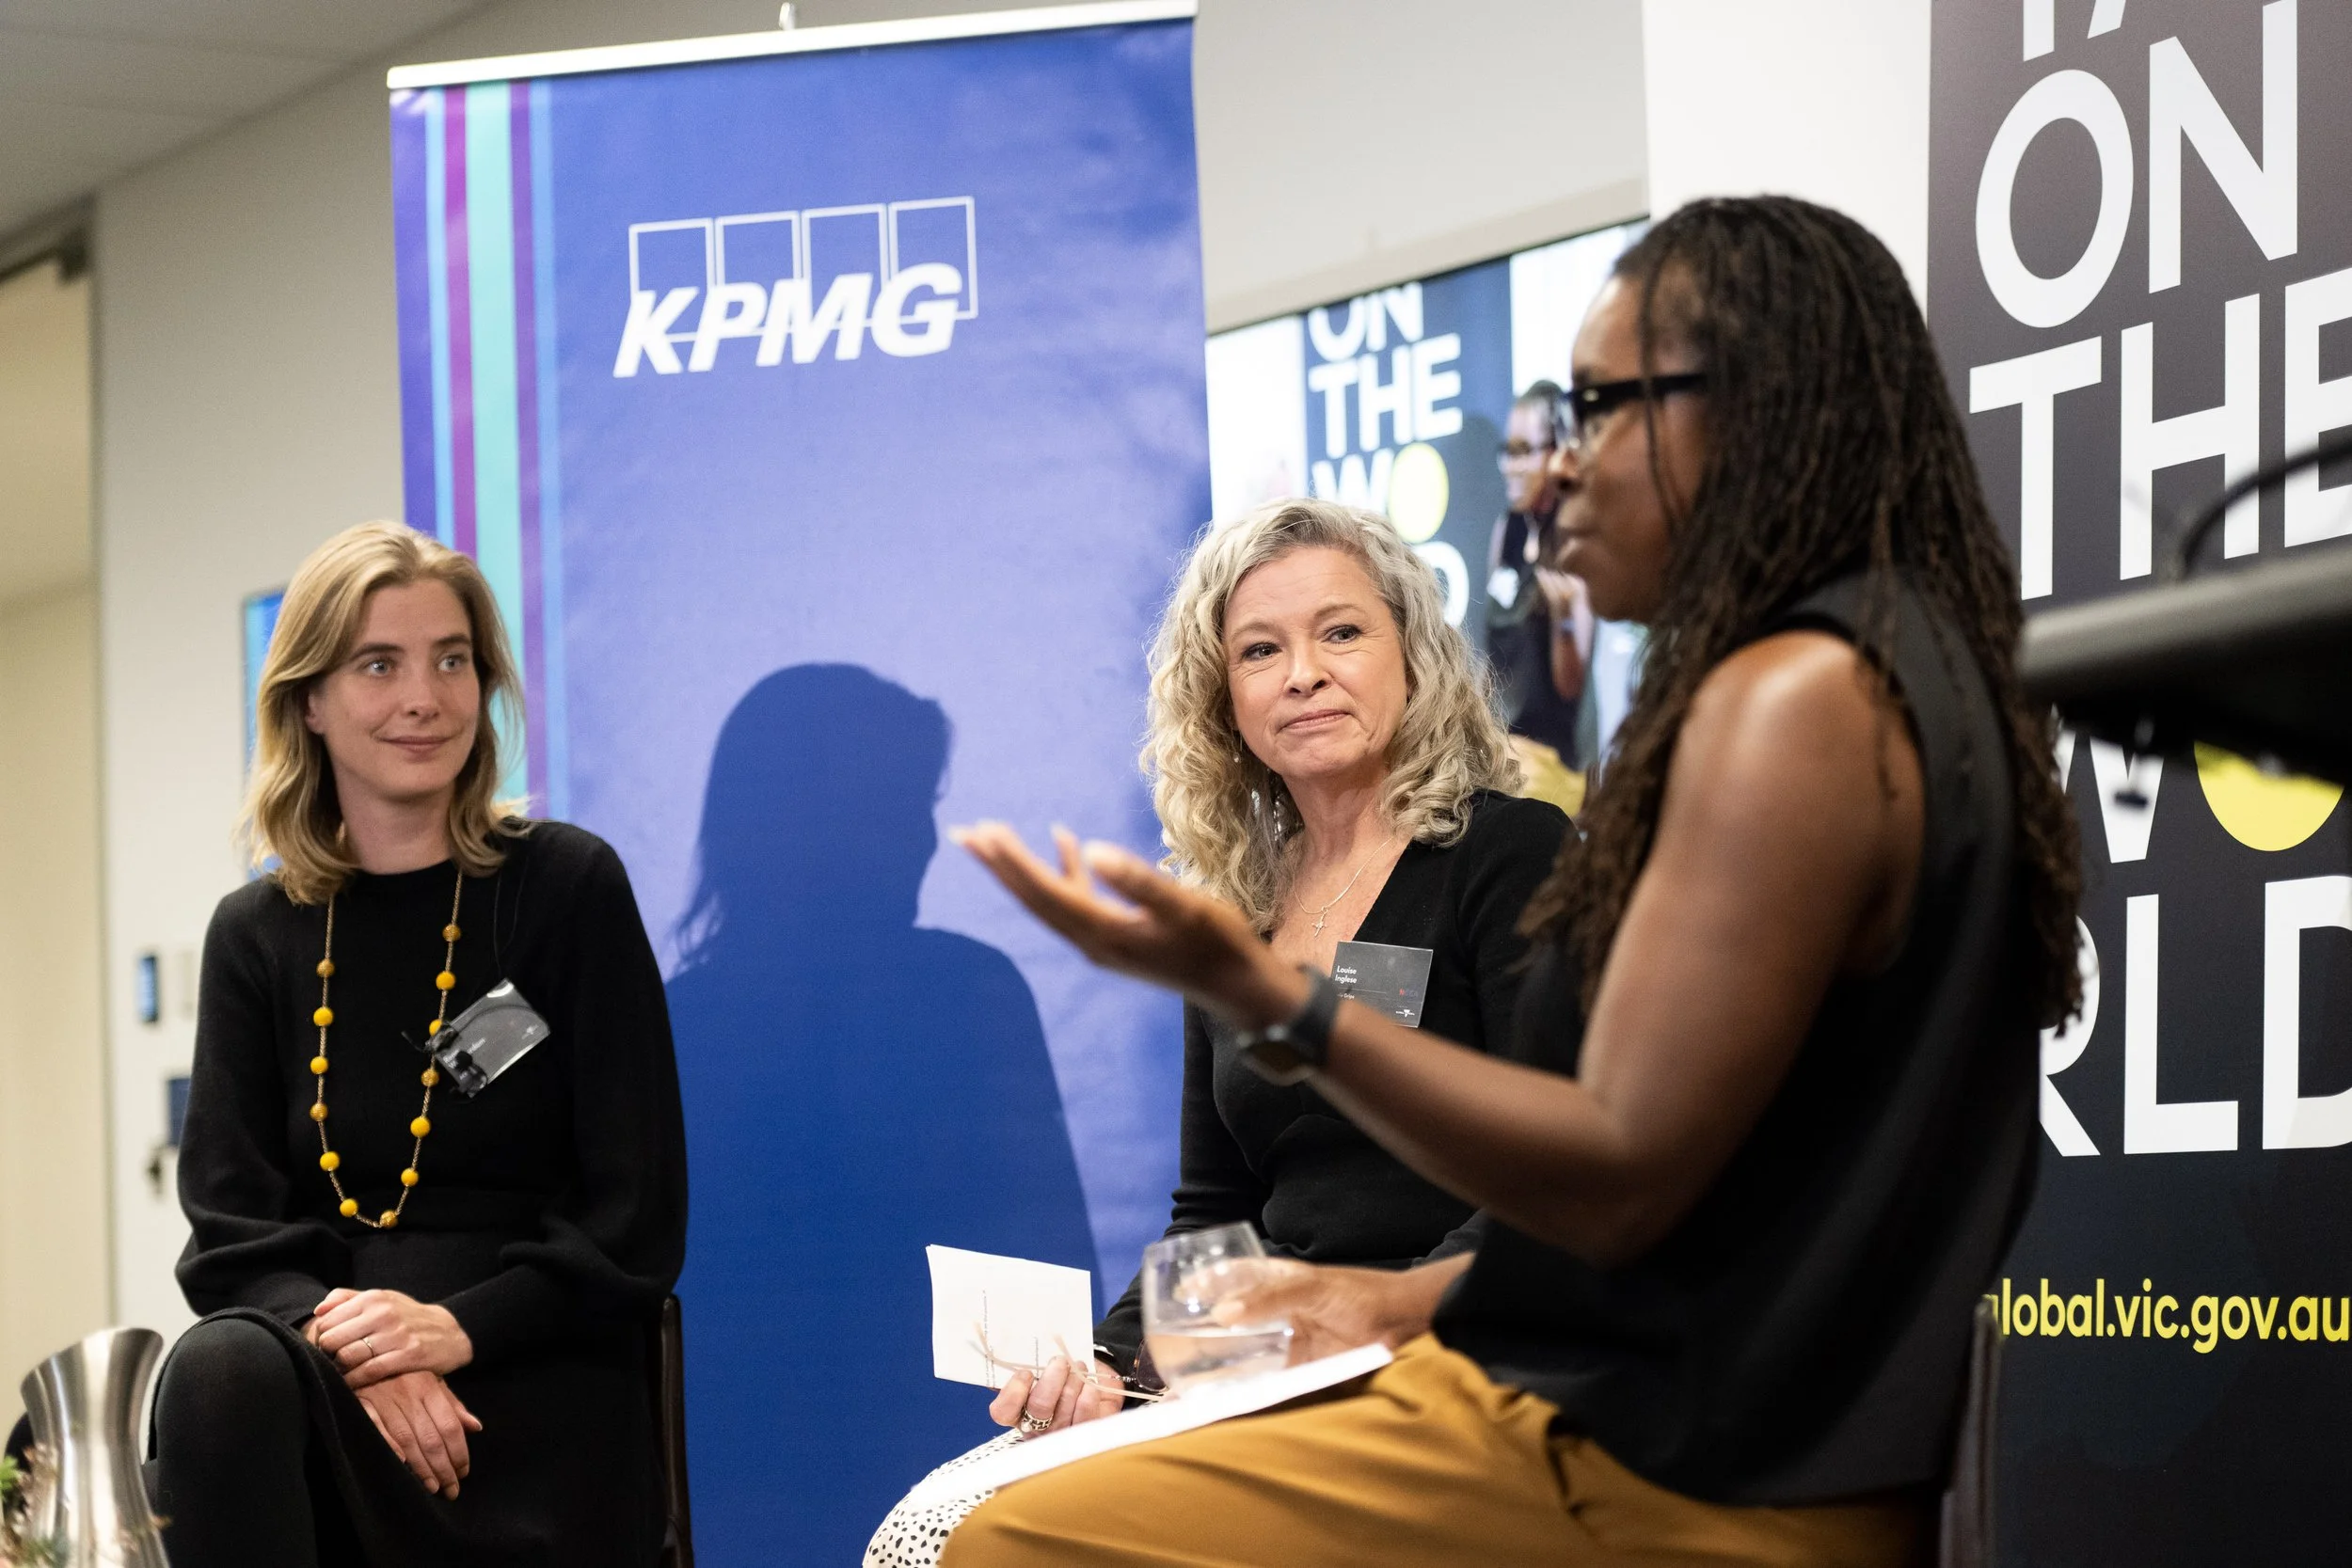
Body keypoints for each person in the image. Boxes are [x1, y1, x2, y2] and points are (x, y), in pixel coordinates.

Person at [946, 195, 2083, 1566]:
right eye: (1260, 651)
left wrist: (1274, 1007)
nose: (1547, 477)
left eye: (1594, 409)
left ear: (1751, 410)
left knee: (995, 1539)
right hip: (1638, 1420)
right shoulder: (1867, 674)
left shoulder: (1789, 704)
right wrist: (1175, 1344)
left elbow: (1610, 1178)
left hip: (1649, 1459)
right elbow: (1660, 1174)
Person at [864, 498, 1567, 1566]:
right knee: (941, 1517)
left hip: (1458, 1353)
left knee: (1008, 1541)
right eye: (1260, 650)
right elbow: (1214, 1211)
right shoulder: (1236, 914)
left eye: (1341, 632)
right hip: (1267, 1365)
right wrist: (1106, 1363)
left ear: (1412, 654)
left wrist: (1370, 1320)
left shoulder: (1506, 852)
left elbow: (1549, 1186)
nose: (1303, 674)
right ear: (1223, 698)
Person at [155, 521, 688, 1568]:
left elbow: (633, 1209)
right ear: (309, 700)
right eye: (378, 664)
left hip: (530, 1364)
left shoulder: (565, 888)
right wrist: (363, 1354)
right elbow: (231, 1226)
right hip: (331, 1367)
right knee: (218, 1372)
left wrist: (452, 1331)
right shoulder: (255, 934)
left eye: (452, 660)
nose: (425, 698)